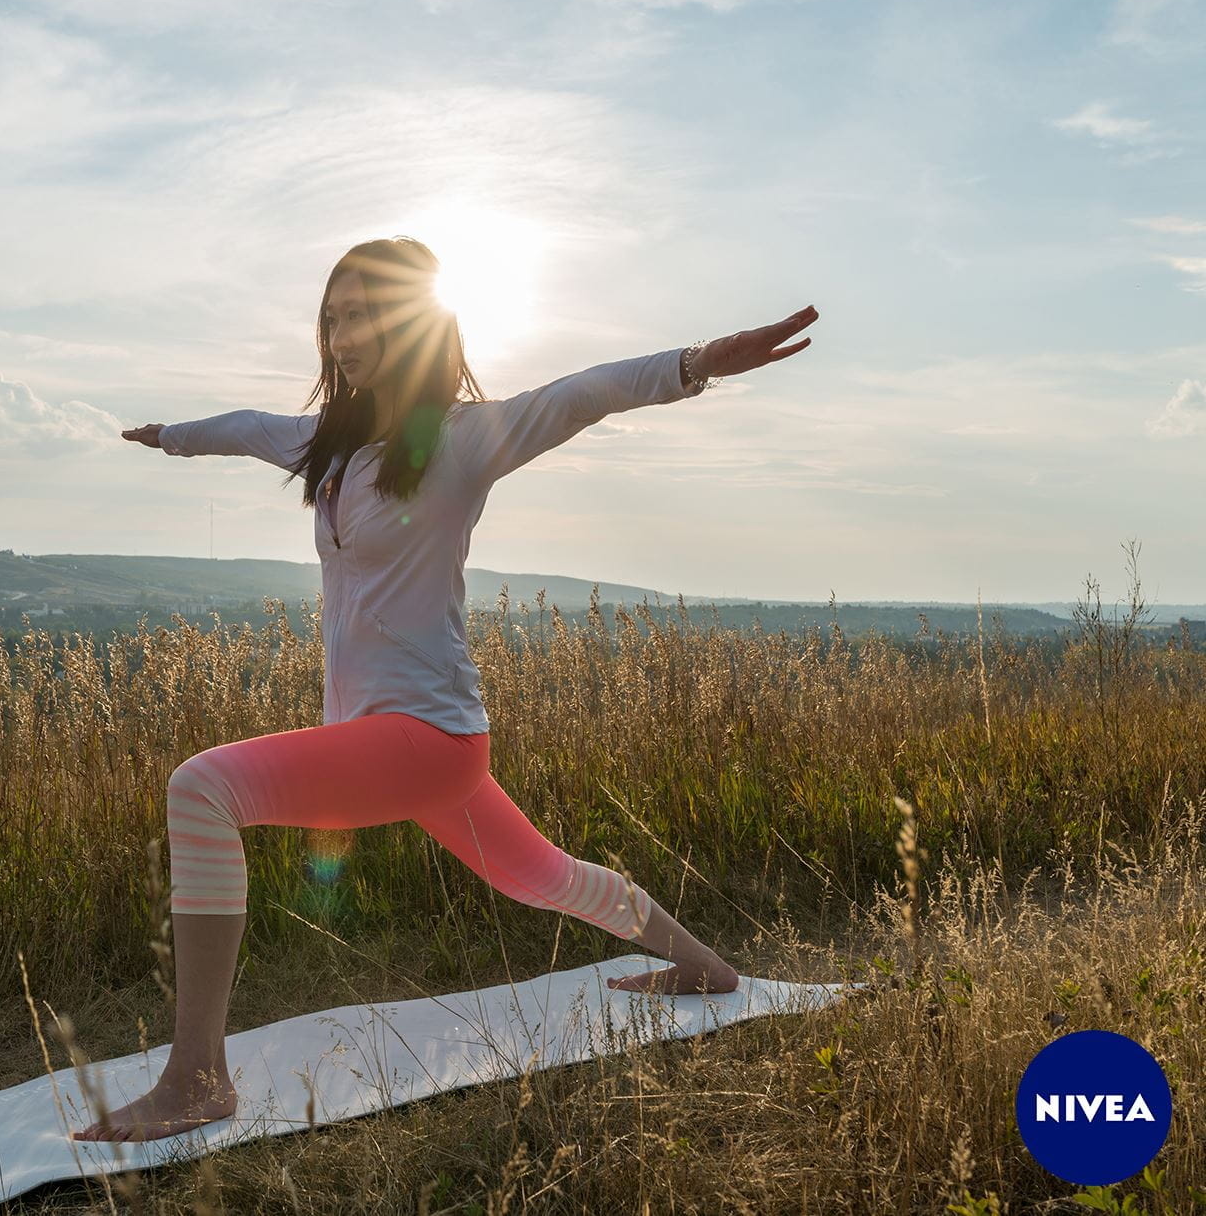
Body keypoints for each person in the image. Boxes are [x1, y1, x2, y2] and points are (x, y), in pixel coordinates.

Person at [73, 236, 819, 1143]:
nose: (345, 335)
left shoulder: (462, 442)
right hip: (409, 746)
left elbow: (577, 396)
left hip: (423, 737)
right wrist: (174, 440)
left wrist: (694, 365)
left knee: (202, 788)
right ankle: (707, 968)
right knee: (543, 877)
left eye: (366, 314)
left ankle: (197, 1080)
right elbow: (245, 427)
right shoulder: (330, 448)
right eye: (335, 316)